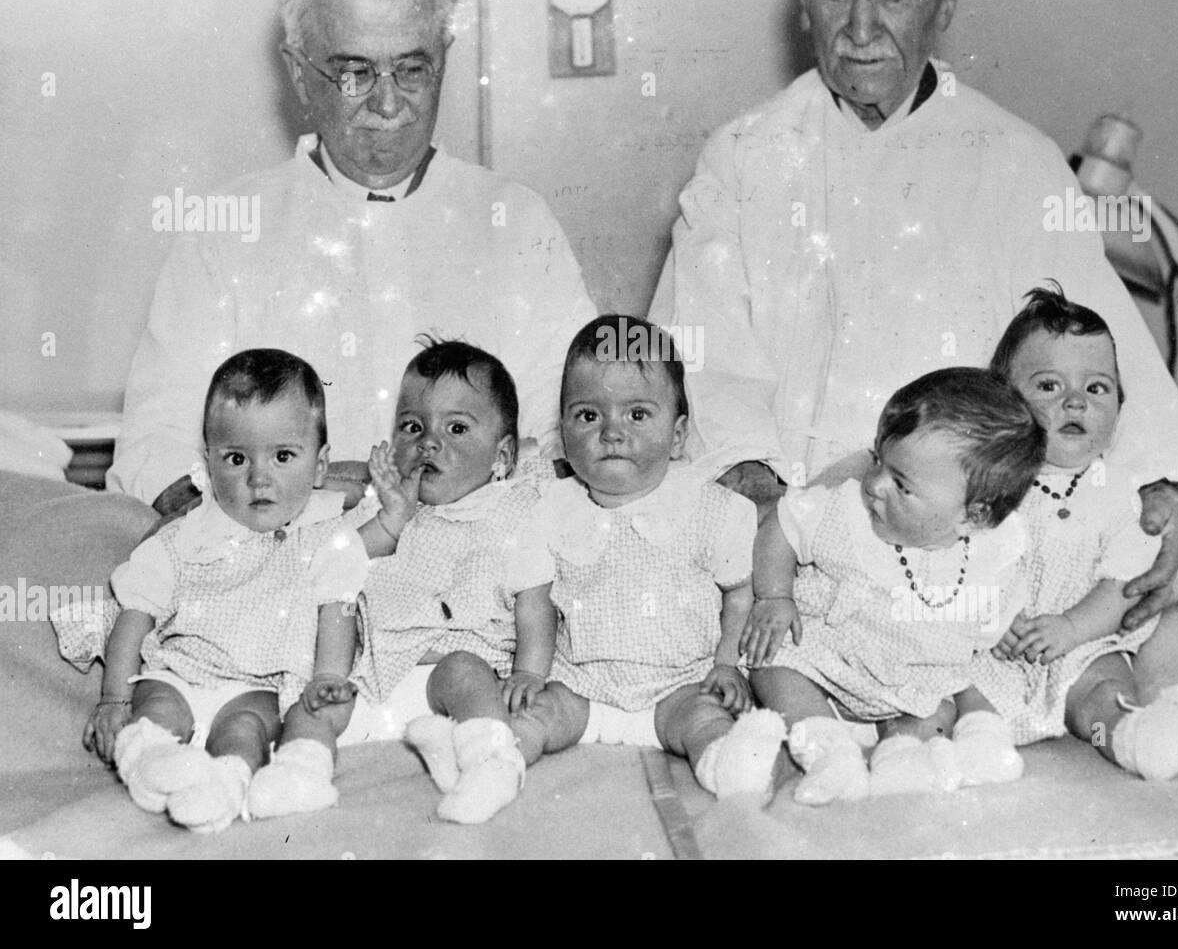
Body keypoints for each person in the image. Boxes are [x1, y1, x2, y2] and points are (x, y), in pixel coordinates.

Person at [649, 0, 1178, 629]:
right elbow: (699, 352)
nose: (861, 27)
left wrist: (1158, 494)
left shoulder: (1019, 163)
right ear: (804, 4)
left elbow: (1106, 359)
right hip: (791, 535)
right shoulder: (745, 157)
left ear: (945, 1)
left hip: (976, 548)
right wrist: (760, 486)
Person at [109, 0, 595, 515]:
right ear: (297, 72)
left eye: (412, 69)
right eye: (354, 73)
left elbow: (572, 434)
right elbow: (154, 447)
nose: (388, 104)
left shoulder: (517, 223)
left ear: (444, 58)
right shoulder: (226, 232)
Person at [76, 349, 367, 833]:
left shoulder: (325, 536)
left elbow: (338, 610)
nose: (258, 477)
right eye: (236, 458)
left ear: (318, 468)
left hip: (258, 684)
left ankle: (225, 785)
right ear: (209, 464)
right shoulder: (187, 533)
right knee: (158, 709)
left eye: (283, 456)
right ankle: (147, 760)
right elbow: (136, 614)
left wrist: (327, 677)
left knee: (246, 732)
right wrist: (112, 699)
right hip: (183, 668)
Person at [509, 316, 789, 800]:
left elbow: (739, 594)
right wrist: (531, 673)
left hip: (679, 685)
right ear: (563, 430)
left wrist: (726, 665)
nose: (612, 433)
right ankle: (492, 761)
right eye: (588, 415)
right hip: (581, 684)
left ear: (678, 436)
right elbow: (534, 605)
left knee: (705, 722)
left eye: (637, 415)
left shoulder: (709, 506)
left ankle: (730, 765)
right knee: (533, 717)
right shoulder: (549, 507)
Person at [740, 367, 1041, 804]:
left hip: (915, 673)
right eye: (879, 459)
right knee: (772, 663)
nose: (874, 484)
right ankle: (828, 751)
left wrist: (1003, 621)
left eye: (901, 484)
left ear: (972, 517)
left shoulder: (995, 550)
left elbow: (999, 603)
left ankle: (905, 757)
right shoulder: (845, 512)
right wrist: (775, 595)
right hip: (830, 650)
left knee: (937, 705)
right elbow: (782, 525)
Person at [965, 286, 1178, 780]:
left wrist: (1070, 629)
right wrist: (994, 618)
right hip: (999, 642)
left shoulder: (1126, 492)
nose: (1075, 402)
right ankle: (975, 743)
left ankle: (1139, 735)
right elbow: (962, 559)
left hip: (1087, 639)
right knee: (956, 687)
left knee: (1099, 694)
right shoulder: (990, 482)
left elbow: (1121, 587)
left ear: (1119, 408)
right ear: (1005, 402)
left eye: (1096, 389)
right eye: (1048, 386)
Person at [316, 337, 554, 825]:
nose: (429, 441)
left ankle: (493, 762)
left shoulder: (513, 507)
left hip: (466, 668)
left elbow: (535, 596)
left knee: (462, 669)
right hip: (379, 677)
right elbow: (338, 557)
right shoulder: (383, 505)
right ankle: (450, 753)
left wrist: (530, 671)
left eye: (457, 428)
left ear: (501, 455)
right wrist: (388, 514)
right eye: (412, 427)